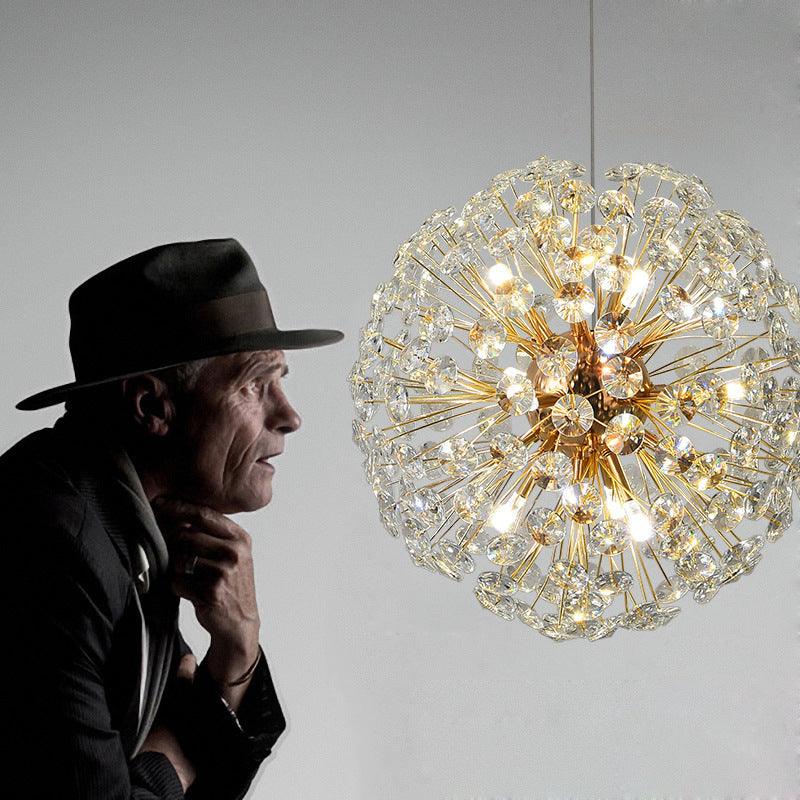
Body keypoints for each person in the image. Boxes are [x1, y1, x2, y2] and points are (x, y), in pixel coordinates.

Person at [1, 238, 344, 799]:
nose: (289, 415)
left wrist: (237, 649)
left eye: (282, 381)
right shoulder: (52, 543)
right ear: (152, 406)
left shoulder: (135, 524)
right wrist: (180, 751)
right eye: (254, 384)